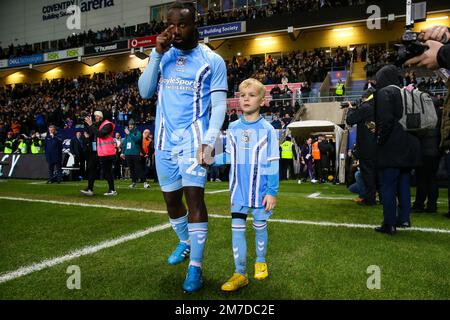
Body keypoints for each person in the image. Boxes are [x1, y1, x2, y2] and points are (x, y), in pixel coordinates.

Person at [138, 1, 228, 292]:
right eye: (171, 24)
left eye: (182, 24)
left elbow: (218, 106)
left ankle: (196, 269)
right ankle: (186, 241)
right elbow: (145, 91)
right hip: (163, 140)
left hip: (194, 140)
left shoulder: (211, 60)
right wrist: (155, 53)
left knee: (194, 200)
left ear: (195, 25)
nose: (175, 31)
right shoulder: (163, 56)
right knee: (171, 202)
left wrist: (209, 141)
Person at [221, 78, 279, 292]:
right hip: (238, 191)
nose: (246, 98)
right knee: (237, 230)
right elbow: (227, 156)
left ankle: (260, 260)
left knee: (259, 227)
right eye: (242, 95)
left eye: (252, 95)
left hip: (261, 192)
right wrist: (206, 157)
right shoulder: (232, 126)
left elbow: (273, 162)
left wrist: (272, 192)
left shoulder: (268, 130)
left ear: (262, 101)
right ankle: (240, 273)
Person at [405, 25, 450, 219]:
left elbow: (421, 129)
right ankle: (431, 205)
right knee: (431, 180)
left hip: (427, 150)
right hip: (437, 149)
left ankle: (423, 204)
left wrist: (442, 55)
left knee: (425, 179)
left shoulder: (425, 111)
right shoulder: (438, 107)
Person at [374, 65, 421, 235]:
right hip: (409, 143)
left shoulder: (385, 92)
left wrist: (380, 140)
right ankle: (404, 219)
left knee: (388, 185)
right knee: (403, 184)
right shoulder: (405, 91)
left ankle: (389, 223)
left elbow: (386, 122)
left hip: (392, 146)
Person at [345, 88, 378, 205]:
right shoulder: (377, 107)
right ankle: (379, 197)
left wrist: (350, 110)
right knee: (375, 174)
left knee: (367, 174)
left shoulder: (366, 107)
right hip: (377, 145)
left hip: (367, 147)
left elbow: (350, 120)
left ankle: (369, 199)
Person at [82, 111, 117, 196]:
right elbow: (91, 131)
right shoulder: (98, 124)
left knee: (107, 172)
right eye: (95, 116)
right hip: (98, 151)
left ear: (101, 117)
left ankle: (112, 190)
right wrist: (86, 121)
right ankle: (90, 189)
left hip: (107, 152)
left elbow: (100, 134)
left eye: (97, 116)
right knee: (91, 169)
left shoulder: (108, 124)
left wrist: (91, 125)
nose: (95, 117)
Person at [122, 119, 145, 188]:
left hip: (135, 153)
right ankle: (133, 182)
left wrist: (129, 134)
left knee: (138, 168)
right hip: (128, 153)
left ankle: (145, 182)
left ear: (134, 125)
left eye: (131, 125)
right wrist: (123, 152)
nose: (130, 126)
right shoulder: (127, 134)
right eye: (129, 125)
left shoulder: (137, 132)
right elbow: (125, 143)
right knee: (131, 169)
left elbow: (136, 139)